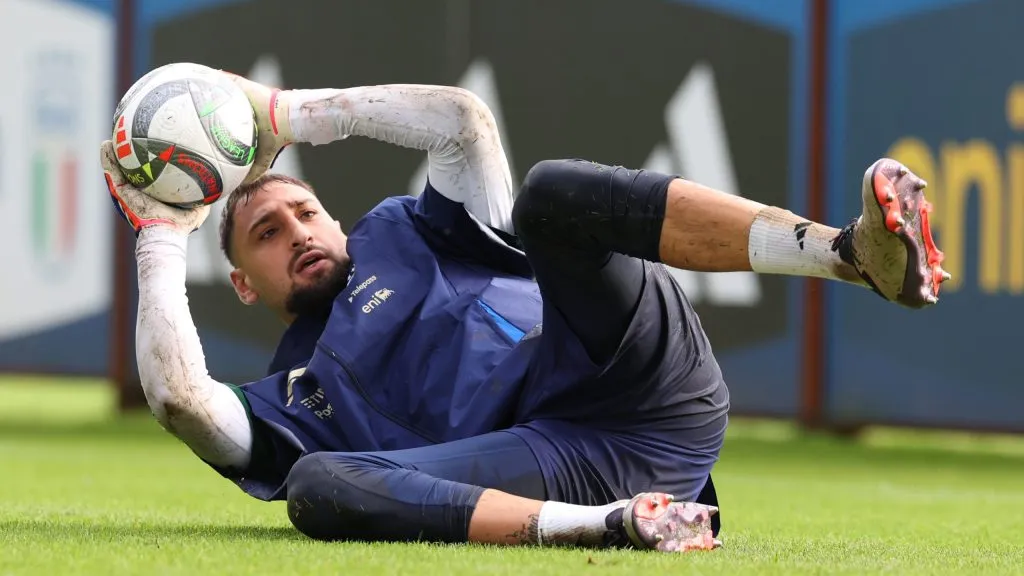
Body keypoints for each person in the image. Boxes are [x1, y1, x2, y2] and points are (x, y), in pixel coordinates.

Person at [100, 73, 948, 553]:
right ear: (244, 283)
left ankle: (850, 254)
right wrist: (163, 233)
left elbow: (462, 124)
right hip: (562, 463)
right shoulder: (287, 401)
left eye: (304, 213)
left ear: (335, 216)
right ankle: (619, 530)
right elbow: (178, 397)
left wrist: (284, 114)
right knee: (319, 486)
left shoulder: (406, 231)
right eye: (264, 234)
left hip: (629, 374)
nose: (296, 232)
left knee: (549, 194)